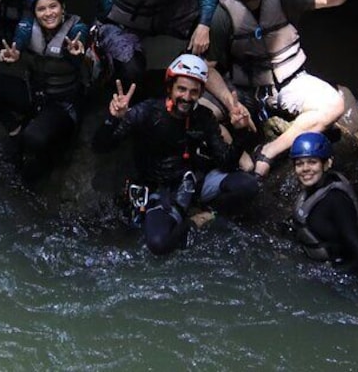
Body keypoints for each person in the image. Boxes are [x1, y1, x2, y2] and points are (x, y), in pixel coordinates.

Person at [203, 0, 351, 178]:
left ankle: (269, 151)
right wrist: (231, 105)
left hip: (290, 82)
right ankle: (241, 160)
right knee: (200, 111)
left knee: (334, 104)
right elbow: (208, 68)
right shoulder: (222, 14)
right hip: (246, 90)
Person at [92, 54, 259, 256]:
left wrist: (240, 132)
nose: (187, 97)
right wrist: (113, 119)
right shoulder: (146, 112)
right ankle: (192, 221)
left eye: (194, 92)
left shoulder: (203, 117)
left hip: (192, 182)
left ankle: (209, 213)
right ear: (170, 88)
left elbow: (226, 161)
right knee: (159, 244)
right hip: (158, 189)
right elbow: (100, 146)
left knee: (248, 185)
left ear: (201, 93)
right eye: (182, 89)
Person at [0, 0, 89, 182]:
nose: (48, 13)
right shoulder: (28, 25)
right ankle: (14, 128)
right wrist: (15, 52)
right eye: (41, 9)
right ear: (34, 13)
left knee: (33, 139)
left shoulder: (77, 28)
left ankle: (52, 156)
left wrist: (75, 52)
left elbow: (80, 44)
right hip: (35, 94)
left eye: (53, 6)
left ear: (63, 7)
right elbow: (21, 37)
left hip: (63, 103)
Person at [285, 132, 358, 318]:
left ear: (327, 164)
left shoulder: (336, 200)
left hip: (344, 274)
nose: (305, 169)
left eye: (312, 162)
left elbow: (356, 243)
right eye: (299, 163)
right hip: (320, 268)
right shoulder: (313, 190)